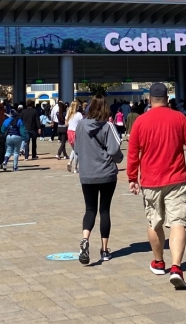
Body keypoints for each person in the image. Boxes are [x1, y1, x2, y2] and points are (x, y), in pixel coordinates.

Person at [128, 82, 186, 290]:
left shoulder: (141, 122)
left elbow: (133, 152)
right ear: (167, 99)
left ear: (149, 100)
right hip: (176, 179)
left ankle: (159, 261)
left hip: (151, 181)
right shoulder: (179, 118)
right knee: (178, 222)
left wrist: (132, 178)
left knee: (154, 222)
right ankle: (176, 267)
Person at [74, 96, 124, 264]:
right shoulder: (108, 126)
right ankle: (104, 250)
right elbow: (114, 149)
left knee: (89, 210)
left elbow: (77, 148)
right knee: (104, 210)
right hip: (107, 173)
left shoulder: (81, 125)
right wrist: (119, 159)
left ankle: (85, 239)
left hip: (87, 173)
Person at [66, 100, 84, 174]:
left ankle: (70, 162)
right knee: (77, 151)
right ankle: (75, 168)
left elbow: (66, 123)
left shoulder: (69, 113)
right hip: (76, 133)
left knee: (74, 149)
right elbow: (82, 124)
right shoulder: (79, 114)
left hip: (69, 132)